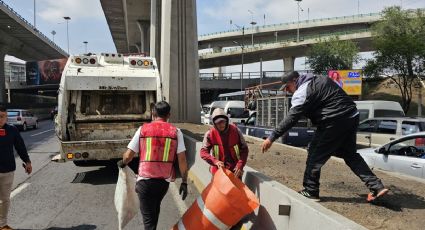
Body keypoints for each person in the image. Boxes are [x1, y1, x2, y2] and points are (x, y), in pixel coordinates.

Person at [261, 71, 389, 202]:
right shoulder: (321, 78)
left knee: (314, 154)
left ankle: (310, 190)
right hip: (352, 115)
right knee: (350, 155)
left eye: (288, 87)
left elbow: (292, 118)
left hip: (333, 121)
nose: (288, 91)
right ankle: (376, 186)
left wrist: (272, 137)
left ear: (295, 81)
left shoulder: (301, 92)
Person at [118, 101, 188, 230]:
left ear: (153, 113)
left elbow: (128, 156)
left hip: (145, 183)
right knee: (154, 214)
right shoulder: (176, 132)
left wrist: (122, 163)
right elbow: (182, 159)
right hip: (163, 183)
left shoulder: (143, 129)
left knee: (149, 222)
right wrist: (184, 182)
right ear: (169, 115)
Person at [0, 105, 32, 230]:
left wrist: (27, 162)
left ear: (6, 118)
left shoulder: (12, 130)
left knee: (5, 200)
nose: (0, 119)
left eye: (2, 117)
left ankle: (2, 225)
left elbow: (20, 147)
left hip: (8, 171)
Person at [200, 108, 248, 179]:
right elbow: (203, 152)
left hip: (235, 171)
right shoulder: (210, 134)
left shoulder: (236, 131)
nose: (221, 124)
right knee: (217, 190)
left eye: (223, 122)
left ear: (227, 121)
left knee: (236, 190)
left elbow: (245, 149)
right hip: (218, 171)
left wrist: (240, 165)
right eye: (218, 122)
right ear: (214, 123)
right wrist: (215, 161)